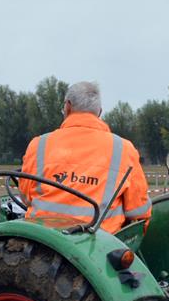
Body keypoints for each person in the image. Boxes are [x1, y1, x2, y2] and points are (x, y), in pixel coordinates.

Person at [19, 81, 151, 233]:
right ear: (99, 113)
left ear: (67, 107)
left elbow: (26, 198)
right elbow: (138, 211)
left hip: (41, 239)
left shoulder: (38, 144)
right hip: (98, 243)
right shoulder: (124, 149)